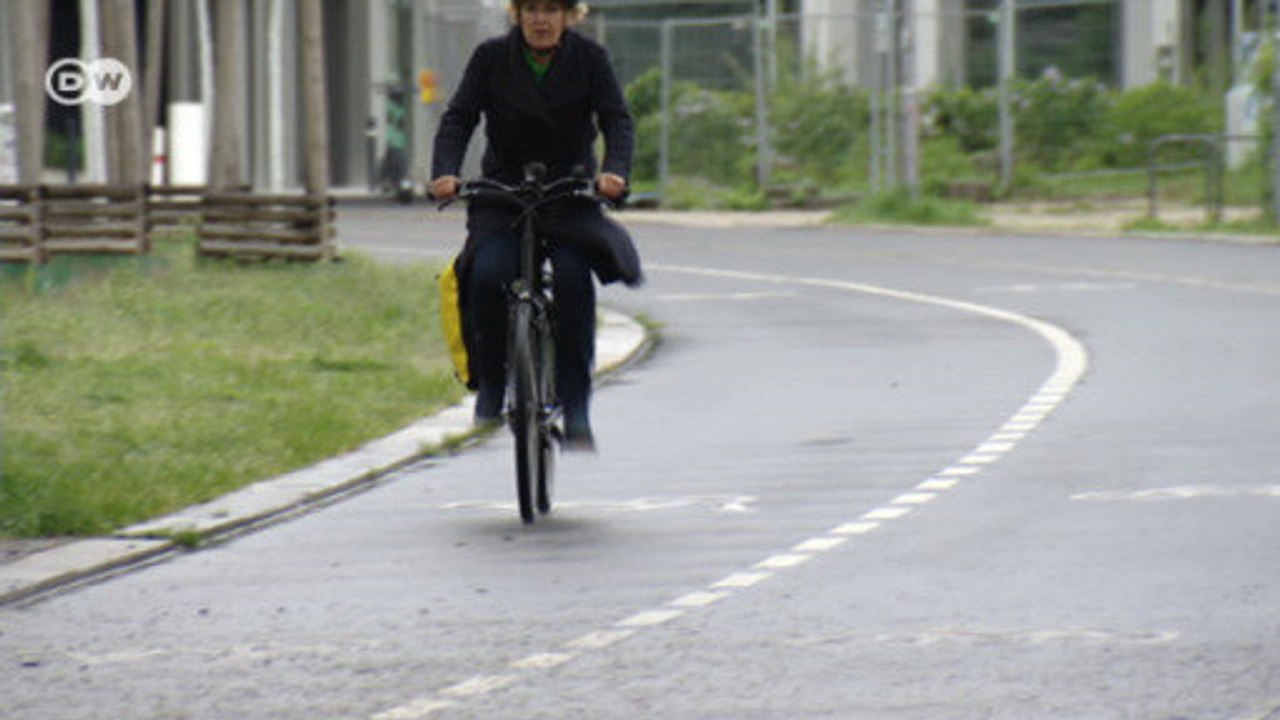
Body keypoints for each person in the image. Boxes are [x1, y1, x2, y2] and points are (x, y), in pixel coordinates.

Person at [431, 0, 642, 451]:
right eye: (531, 9)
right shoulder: (490, 58)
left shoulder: (589, 58)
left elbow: (616, 120)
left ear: (570, 15)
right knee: (486, 275)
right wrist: (446, 172)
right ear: (517, 14)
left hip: (569, 191)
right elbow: (459, 118)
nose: (540, 19)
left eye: (551, 9)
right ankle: (491, 386)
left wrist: (614, 173)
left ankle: (578, 403)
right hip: (502, 192)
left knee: (572, 279)